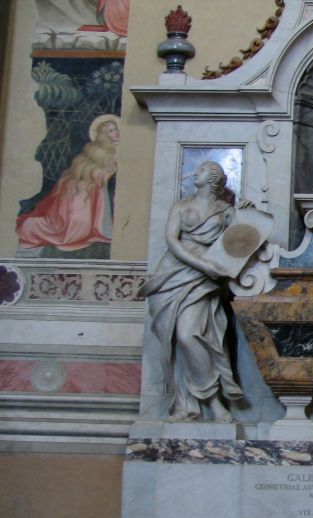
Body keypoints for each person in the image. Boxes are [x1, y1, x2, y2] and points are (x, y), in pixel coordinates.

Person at [139, 161, 246, 422]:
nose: (195, 173)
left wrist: (246, 214)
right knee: (177, 339)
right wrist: (201, 265)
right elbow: (171, 240)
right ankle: (189, 403)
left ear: (213, 179)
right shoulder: (181, 205)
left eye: (201, 171)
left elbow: (242, 239)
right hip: (174, 273)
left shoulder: (226, 211)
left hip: (204, 279)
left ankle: (213, 400)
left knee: (190, 335)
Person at [16, 115, 119, 253]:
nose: (116, 133)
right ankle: (36, 227)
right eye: (111, 131)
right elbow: (88, 168)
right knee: (73, 217)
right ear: (103, 135)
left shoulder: (119, 148)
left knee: (79, 208)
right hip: (80, 185)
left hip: (89, 186)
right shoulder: (94, 149)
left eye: (116, 129)